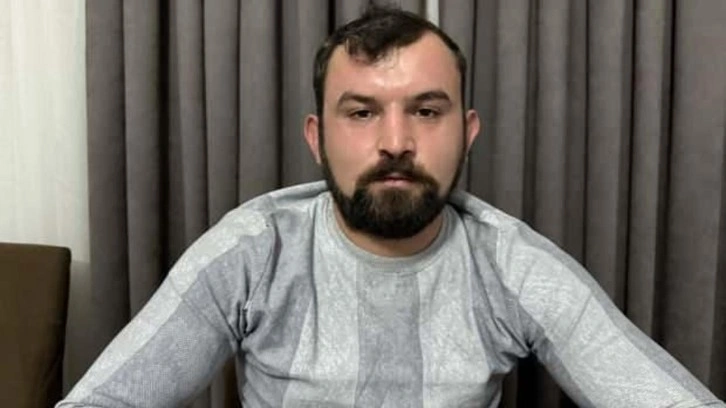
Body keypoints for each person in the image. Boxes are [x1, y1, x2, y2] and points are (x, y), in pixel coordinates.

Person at [58, 4, 724, 408]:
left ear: (467, 131)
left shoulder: (509, 261)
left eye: (426, 111)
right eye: (361, 112)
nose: (396, 142)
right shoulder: (254, 250)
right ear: (316, 137)